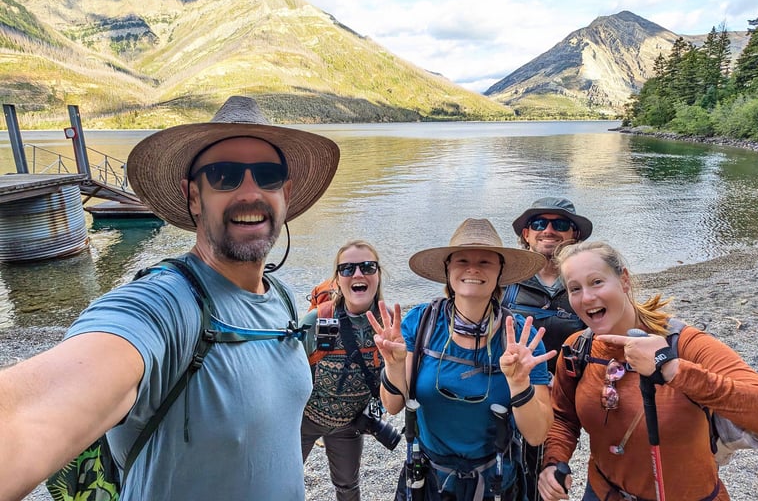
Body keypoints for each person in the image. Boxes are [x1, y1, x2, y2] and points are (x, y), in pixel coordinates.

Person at [0, 95, 340, 501]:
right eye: (224, 175)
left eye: (267, 175)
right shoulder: (165, 304)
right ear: (193, 196)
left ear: (285, 193)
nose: (250, 191)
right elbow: (30, 409)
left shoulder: (280, 297)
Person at [538, 241, 758, 501]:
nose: (587, 297)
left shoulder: (683, 344)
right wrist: (554, 461)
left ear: (624, 280)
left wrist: (672, 368)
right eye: (575, 289)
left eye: (597, 282)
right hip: (601, 492)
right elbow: (564, 417)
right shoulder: (578, 348)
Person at [370, 218, 555, 501]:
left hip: (495, 482)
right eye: (462, 260)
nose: (473, 268)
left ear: (500, 273)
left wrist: (519, 384)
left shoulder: (521, 338)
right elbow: (393, 405)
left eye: (485, 262)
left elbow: (537, 434)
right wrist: (394, 365)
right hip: (428, 479)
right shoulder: (421, 323)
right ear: (448, 270)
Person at [502, 197, 592, 501]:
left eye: (560, 224)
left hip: (563, 407)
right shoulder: (504, 281)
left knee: (545, 479)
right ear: (526, 234)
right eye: (539, 223)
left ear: (574, 235)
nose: (549, 230)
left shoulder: (586, 284)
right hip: (511, 399)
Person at [300, 239, 391, 501]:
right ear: (338, 279)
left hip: (349, 424)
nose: (358, 274)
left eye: (367, 267)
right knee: (285, 479)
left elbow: (400, 386)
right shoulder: (317, 320)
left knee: (348, 486)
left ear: (378, 275)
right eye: (348, 269)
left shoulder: (390, 326)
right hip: (304, 420)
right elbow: (283, 373)